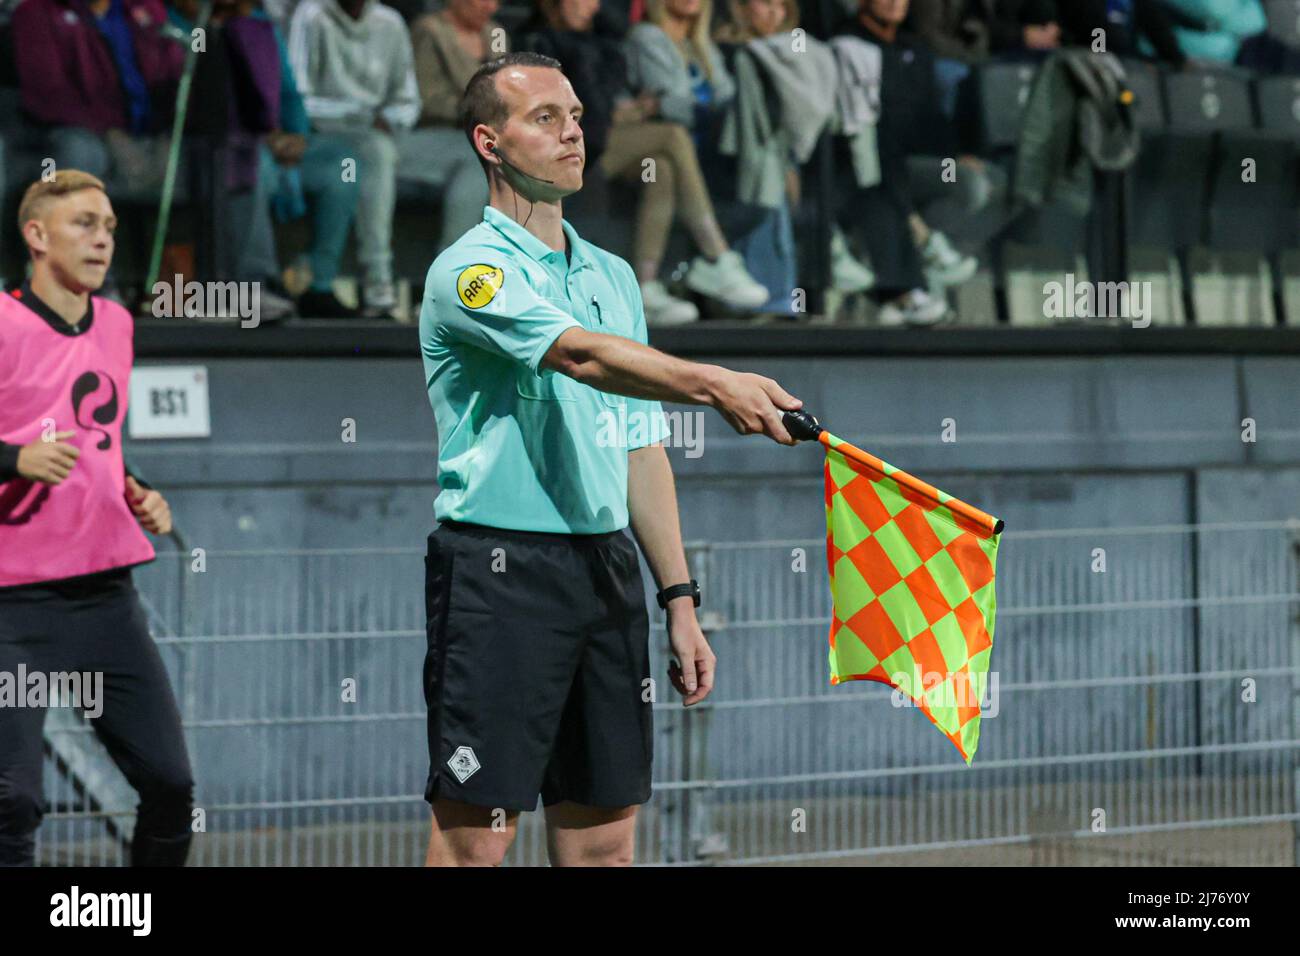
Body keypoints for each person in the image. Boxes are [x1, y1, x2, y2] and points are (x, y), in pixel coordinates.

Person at [419, 51, 804, 865]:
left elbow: (637, 441)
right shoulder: (470, 274)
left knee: (605, 843)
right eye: (545, 119)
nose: (572, 134)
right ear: (490, 142)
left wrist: (679, 598)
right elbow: (583, 358)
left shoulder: (614, 276)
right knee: (474, 844)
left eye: (577, 117)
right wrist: (714, 381)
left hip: (606, 572)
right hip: (499, 575)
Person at [0, 170, 195, 867]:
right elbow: (26, 449)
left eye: (110, 227)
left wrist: (136, 489)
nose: (103, 240)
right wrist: (13, 460)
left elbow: (100, 443)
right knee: (13, 803)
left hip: (108, 598)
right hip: (13, 606)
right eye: (85, 224)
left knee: (173, 787)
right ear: (36, 235)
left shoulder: (116, 323)